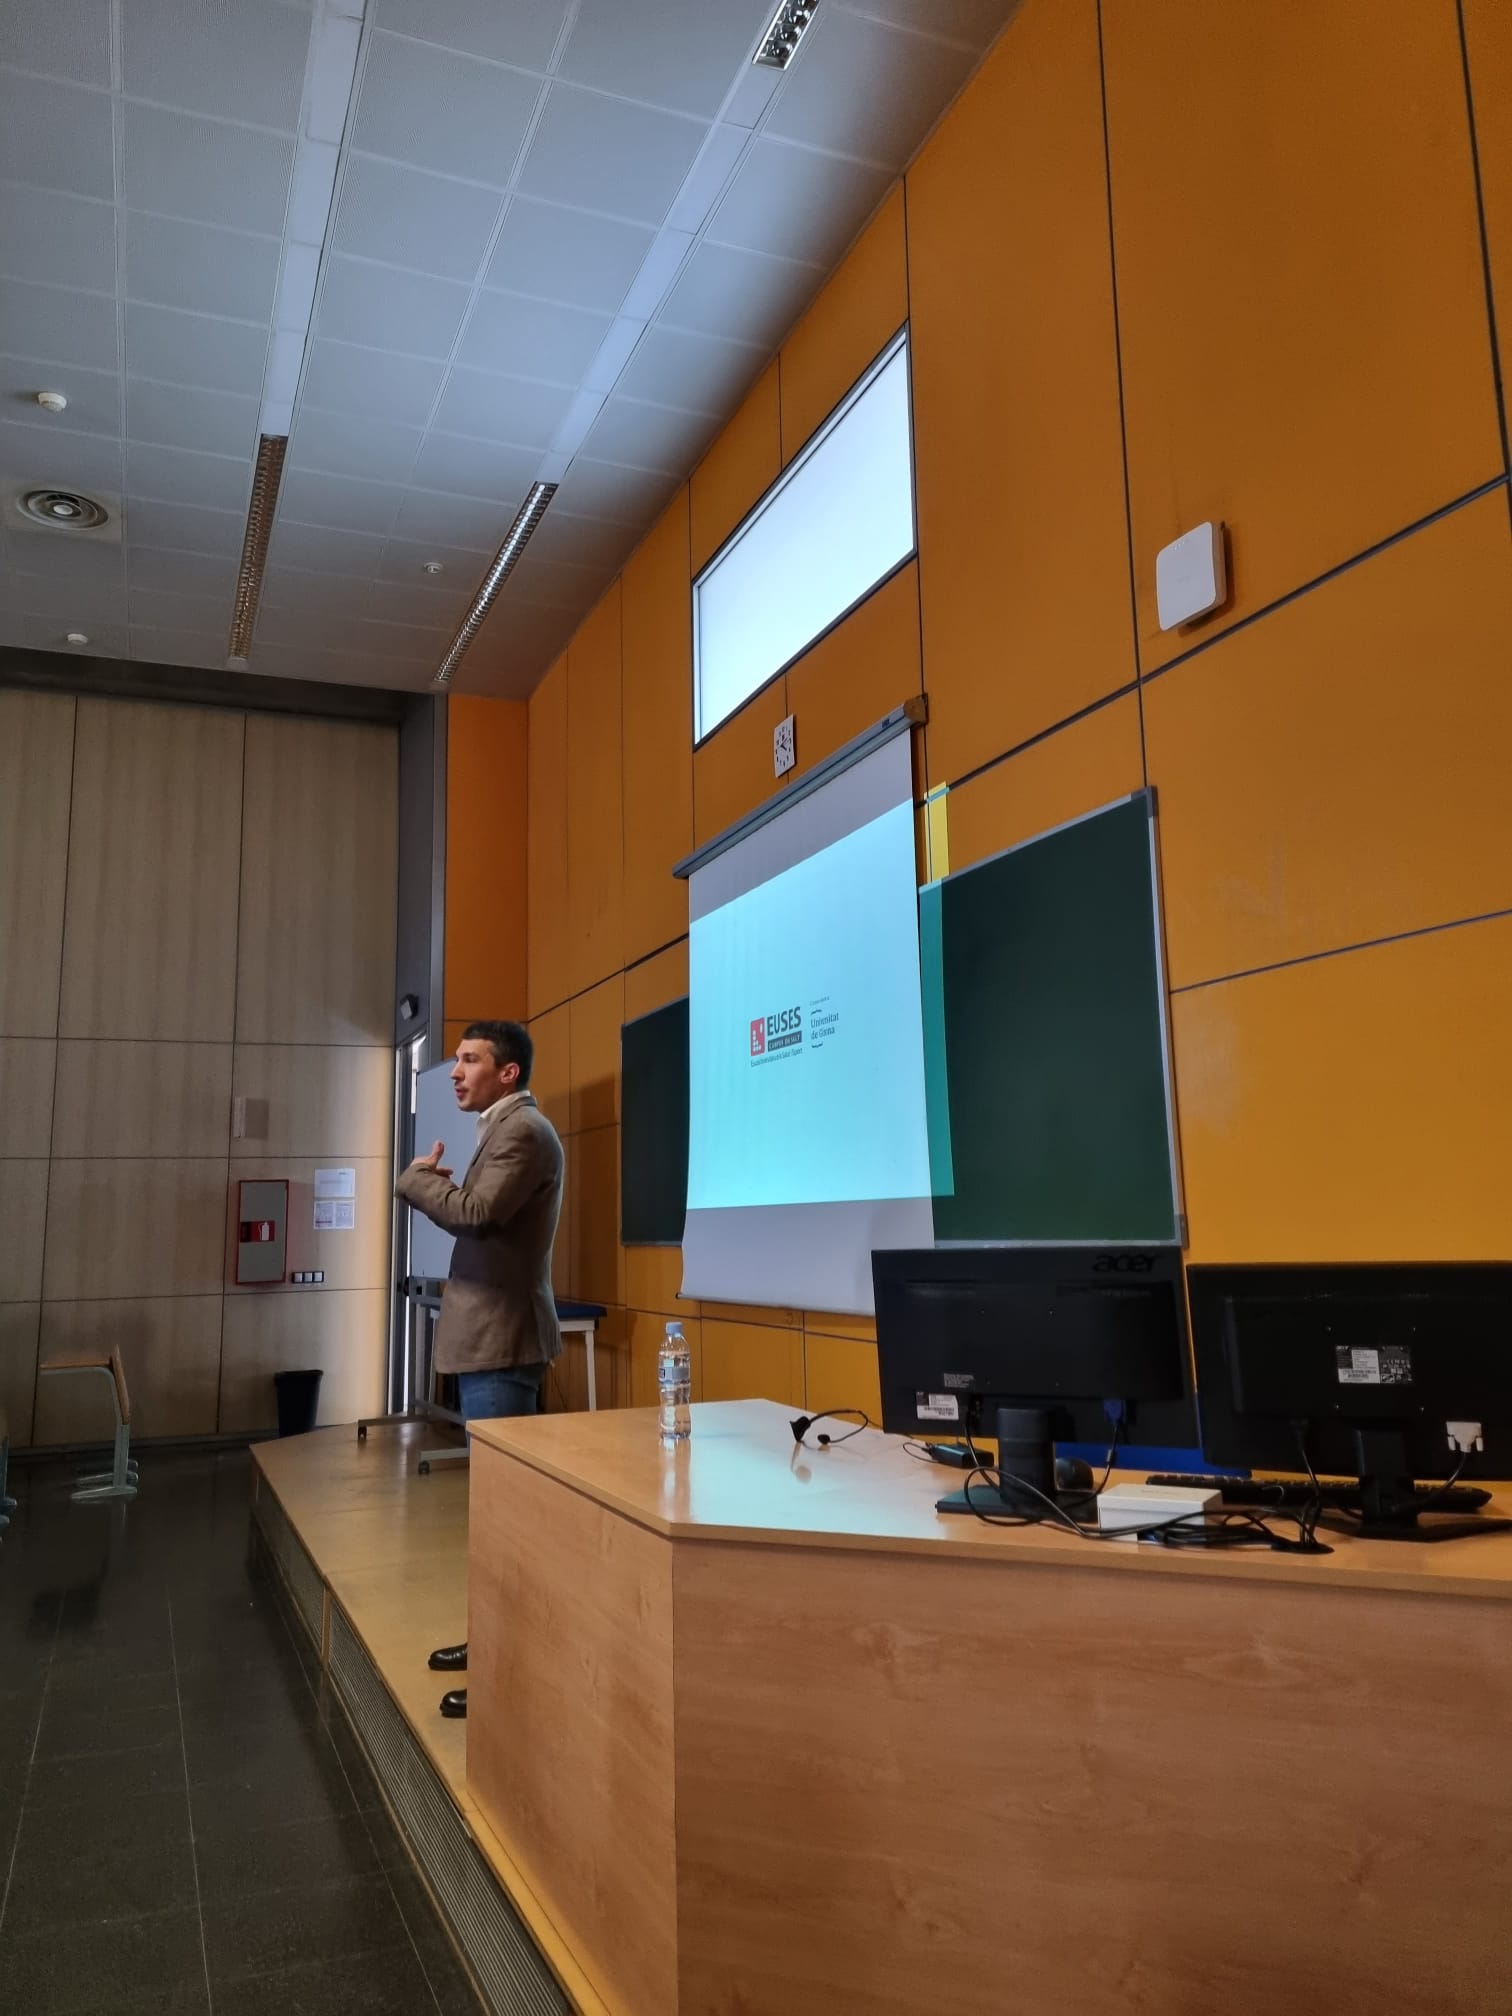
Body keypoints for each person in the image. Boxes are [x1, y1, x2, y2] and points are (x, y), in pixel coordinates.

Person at [395, 1019, 563, 1719]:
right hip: (486, 1342)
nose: (457, 1072)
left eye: (470, 1060)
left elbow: (477, 1213)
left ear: (508, 1072)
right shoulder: (500, 1129)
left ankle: (509, 1673)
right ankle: (491, 1643)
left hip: (502, 1344)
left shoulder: (524, 1132)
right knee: (492, 1518)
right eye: (456, 1059)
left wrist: (414, 1182)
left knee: (505, 1520)